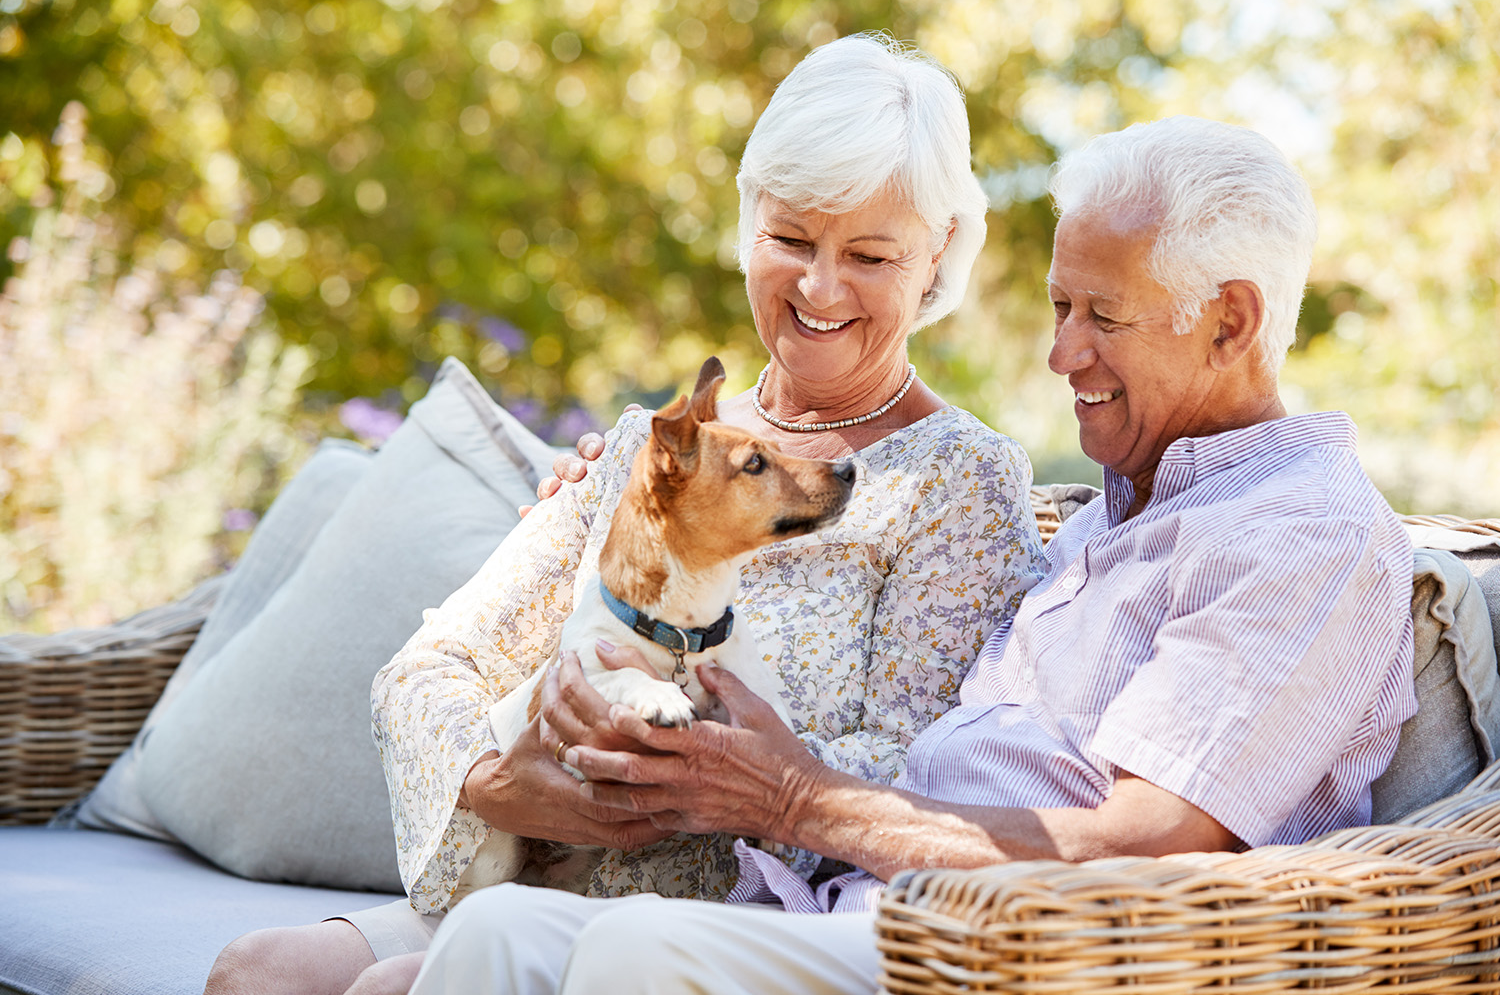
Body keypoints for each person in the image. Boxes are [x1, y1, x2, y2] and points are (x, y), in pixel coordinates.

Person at [399, 115, 1418, 995]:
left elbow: (1140, 841)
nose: (1062, 354)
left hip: (1005, 952)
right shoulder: (1129, 508)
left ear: (1229, 322)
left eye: (1103, 316)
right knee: (497, 932)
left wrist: (798, 797)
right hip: (860, 906)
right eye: (1062, 307)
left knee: (641, 949)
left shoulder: (1303, 536)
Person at [203, 33, 1045, 995]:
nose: (820, 287)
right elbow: (431, 667)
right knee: (258, 972)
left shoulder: (959, 479)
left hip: (734, 912)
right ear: (747, 223)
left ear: (936, 257)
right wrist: (500, 783)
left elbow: (919, 765)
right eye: (791, 240)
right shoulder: (650, 450)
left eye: (869, 254)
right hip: (545, 861)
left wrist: (695, 770)